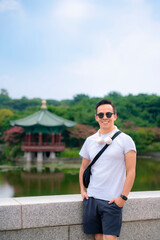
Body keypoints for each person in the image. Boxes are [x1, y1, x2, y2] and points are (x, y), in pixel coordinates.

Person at [79, 99, 136, 240]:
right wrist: (82, 189)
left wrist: (123, 198)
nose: (105, 117)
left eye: (109, 114)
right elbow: (83, 168)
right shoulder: (90, 140)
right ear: (96, 117)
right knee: (97, 237)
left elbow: (131, 171)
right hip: (92, 199)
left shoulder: (126, 140)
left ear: (115, 116)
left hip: (112, 200)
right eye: (101, 114)